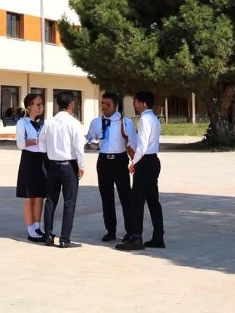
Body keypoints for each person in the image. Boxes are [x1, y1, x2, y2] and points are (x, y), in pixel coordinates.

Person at [117, 91, 164, 250]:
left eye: (136, 102)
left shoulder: (144, 119)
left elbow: (142, 146)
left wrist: (133, 163)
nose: (134, 105)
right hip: (153, 161)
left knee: (136, 201)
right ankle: (158, 236)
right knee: (153, 201)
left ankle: (136, 238)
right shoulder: (155, 119)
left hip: (144, 162)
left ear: (143, 103)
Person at [86, 91, 136, 242]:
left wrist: (135, 162)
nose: (104, 107)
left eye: (108, 104)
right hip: (103, 161)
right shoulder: (96, 122)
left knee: (125, 197)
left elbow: (133, 143)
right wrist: (93, 143)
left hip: (119, 160)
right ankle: (110, 230)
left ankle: (130, 231)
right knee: (106, 197)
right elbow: (90, 138)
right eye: (102, 103)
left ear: (116, 105)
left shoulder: (125, 122)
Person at [38, 91, 86, 248]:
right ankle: (65, 239)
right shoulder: (73, 123)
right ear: (71, 104)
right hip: (68, 165)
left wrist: (50, 155)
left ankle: (48, 236)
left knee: (51, 201)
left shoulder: (49, 122)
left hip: (52, 165)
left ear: (58, 104)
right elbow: (79, 147)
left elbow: (41, 143)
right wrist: (81, 166)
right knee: (69, 202)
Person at [14, 92, 48, 242]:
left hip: (42, 159)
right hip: (29, 160)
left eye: (42, 104)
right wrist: (37, 140)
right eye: (38, 104)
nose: (41, 107)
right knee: (30, 196)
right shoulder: (23, 123)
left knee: (40, 195)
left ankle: (37, 227)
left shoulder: (43, 123)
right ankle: (30, 230)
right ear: (29, 106)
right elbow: (21, 144)